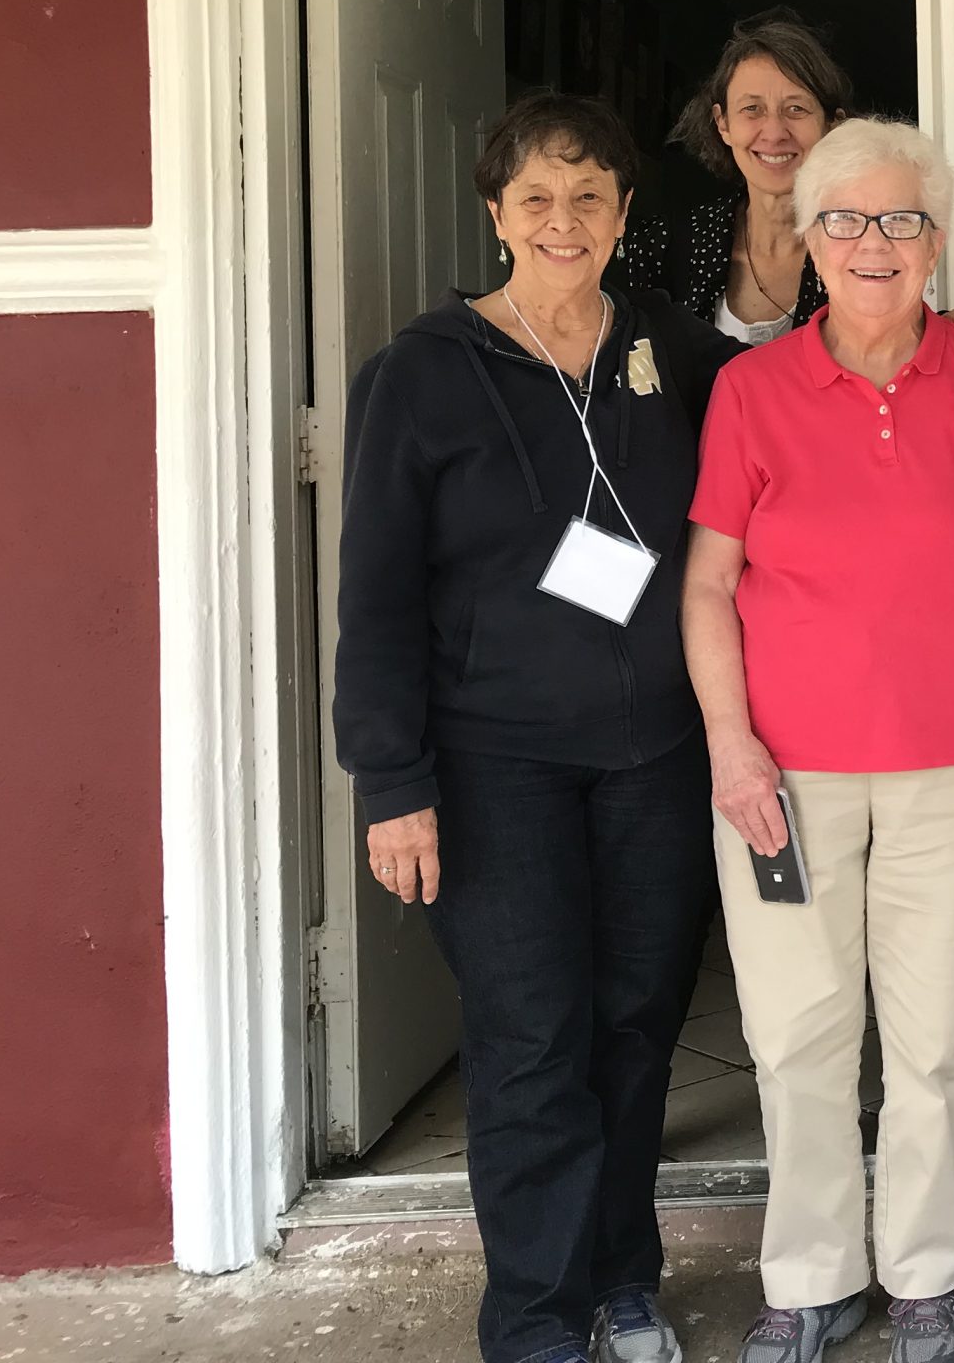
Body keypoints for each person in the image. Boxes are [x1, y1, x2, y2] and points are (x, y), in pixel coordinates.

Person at [334, 92, 736, 1363]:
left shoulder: (676, 351)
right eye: (536, 198)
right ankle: (539, 1320)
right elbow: (378, 594)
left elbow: (792, 443)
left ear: (625, 212)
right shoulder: (422, 374)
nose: (564, 222)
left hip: (658, 762)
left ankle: (622, 1283)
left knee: (631, 1030)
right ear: (494, 212)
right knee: (530, 1039)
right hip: (491, 762)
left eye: (590, 197)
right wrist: (388, 779)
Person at [681, 117, 954, 1363]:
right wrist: (730, 741)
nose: (874, 245)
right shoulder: (750, 391)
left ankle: (925, 1277)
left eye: (901, 221)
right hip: (785, 778)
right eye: (847, 220)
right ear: (809, 237)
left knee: (930, 1047)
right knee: (797, 1038)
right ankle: (811, 1279)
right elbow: (709, 584)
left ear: (936, 239)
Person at [618, 9, 852, 344]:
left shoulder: (862, 245)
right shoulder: (665, 246)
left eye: (796, 108)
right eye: (751, 109)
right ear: (723, 123)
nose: (773, 132)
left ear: (832, 125)